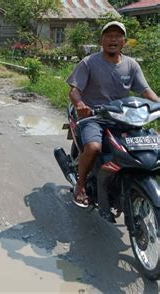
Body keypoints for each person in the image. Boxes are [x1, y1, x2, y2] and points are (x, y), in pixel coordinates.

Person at [66, 21, 159, 214]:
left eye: (117, 36)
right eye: (109, 36)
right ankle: (81, 186)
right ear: (101, 40)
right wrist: (81, 105)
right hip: (94, 117)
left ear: (124, 41)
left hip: (125, 118)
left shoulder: (131, 65)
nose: (113, 39)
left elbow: (146, 91)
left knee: (147, 149)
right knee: (93, 147)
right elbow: (74, 91)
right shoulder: (89, 63)